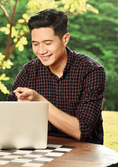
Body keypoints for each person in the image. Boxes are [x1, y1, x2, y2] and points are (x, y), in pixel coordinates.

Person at [7, 9, 106, 144]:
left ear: (65, 39)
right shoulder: (29, 71)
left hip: (83, 153)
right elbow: (8, 120)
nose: (41, 51)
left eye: (48, 43)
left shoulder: (91, 71)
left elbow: (82, 131)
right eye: (35, 44)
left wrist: (40, 102)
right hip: (40, 148)